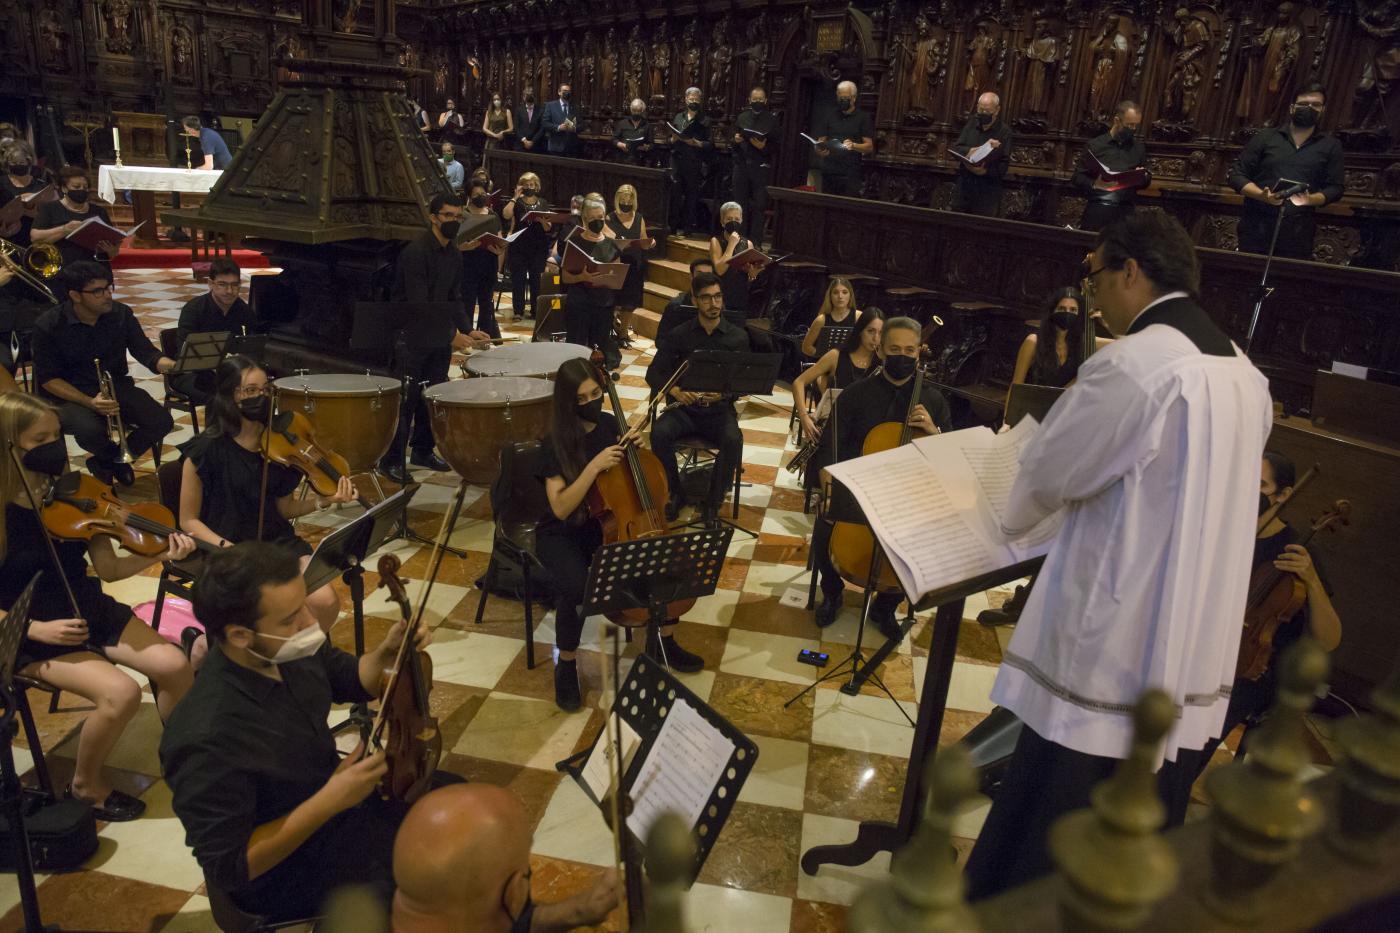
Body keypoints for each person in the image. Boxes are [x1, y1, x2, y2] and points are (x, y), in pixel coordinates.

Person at [962, 212, 1273, 900]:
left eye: (1097, 274)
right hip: (1190, 645)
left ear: (1130, 270)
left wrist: (1016, 508)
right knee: (1137, 830)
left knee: (1046, 841)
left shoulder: (1135, 364)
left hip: (1116, 646)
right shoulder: (1245, 373)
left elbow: (1042, 477)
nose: (1094, 292)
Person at [160, 542, 434, 921]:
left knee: (454, 805)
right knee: (428, 881)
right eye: (291, 618)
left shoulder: (287, 649)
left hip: (336, 810)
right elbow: (231, 868)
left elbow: (352, 679)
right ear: (240, 636)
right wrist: (331, 799)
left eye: (304, 605)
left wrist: (387, 651)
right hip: (283, 873)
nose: (309, 623)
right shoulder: (204, 735)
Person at [0, 392, 194, 821]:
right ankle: (85, 785)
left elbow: (108, 569)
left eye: (57, 436)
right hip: (26, 631)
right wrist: (34, 629)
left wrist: (160, 555)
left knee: (175, 666)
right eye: (41, 439)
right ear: (9, 445)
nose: (55, 448)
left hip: (85, 606)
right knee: (120, 693)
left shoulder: (76, 493)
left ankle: (183, 760)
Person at [540, 358, 705, 710]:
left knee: (662, 563)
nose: (592, 402)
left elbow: (627, 481)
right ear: (567, 402)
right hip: (565, 531)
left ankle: (666, 640)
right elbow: (560, 508)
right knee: (574, 588)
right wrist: (593, 466)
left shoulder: (607, 422)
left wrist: (636, 447)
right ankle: (566, 664)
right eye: (582, 398)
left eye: (596, 393)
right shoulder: (554, 440)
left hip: (609, 522)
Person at [1181, 451, 1341, 791]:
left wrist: (1311, 580)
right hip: (1200, 650)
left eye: (1260, 486)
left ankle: (1168, 799)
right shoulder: (1219, 533)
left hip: (1250, 670)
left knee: (1189, 738)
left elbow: (1330, 639)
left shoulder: (1293, 550)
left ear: (1283, 496)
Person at [178, 354, 357, 633]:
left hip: (277, 543)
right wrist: (230, 550)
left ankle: (296, 663)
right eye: (250, 391)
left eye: (265, 389)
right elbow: (188, 521)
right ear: (228, 396)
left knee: (325, 601)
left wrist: (325, 500)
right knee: (271, 613)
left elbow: (284, 510)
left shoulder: (279, 447)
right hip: (228, 549)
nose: (260, 397)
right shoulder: (203, 452)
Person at [809, 316, 950, 635]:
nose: (903, 356)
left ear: (919, 353)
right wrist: (829, 488)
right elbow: (832, 446)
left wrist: (933, 429)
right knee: (823, 530)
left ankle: (885, 608)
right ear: (882, 351)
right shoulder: (857, 395)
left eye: (910, 350)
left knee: (920, 545)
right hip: (858, 485)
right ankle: (832, 594)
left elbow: (948, 456)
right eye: (895, 349)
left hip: (908, 496)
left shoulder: (932, 399)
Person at [392, 783, 620, 932]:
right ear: (515, 894)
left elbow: (493, 917)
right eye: (526, 872)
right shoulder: (509, 901)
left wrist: (579, 911)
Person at [31, 261, 176, 486]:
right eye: (98, 291)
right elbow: (49, 379)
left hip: (115, 386)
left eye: (109, 288)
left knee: (160, 420)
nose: (107, 295)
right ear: (75, 295)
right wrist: (89, 402)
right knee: (90, 430)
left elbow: (145, 351)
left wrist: (169, 364)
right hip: (69, 395)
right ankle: (113, 458)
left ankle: (110, 463)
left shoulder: (121, 314)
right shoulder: (48, 325)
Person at [381, 193, 491, 484]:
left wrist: (467, 328)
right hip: (411, 337)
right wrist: (450, 334)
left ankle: (422, 450)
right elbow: (418, 303)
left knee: (432, 396)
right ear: (433, 217)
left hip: (437, 338)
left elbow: (454, 298)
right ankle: (390, 459)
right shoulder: (415, 252)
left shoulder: (453, 253)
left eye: (458, 217)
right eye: (448, 216)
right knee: (407, 399)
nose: (454, 221)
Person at [646, 272, 749, 521]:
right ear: (694, 301)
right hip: (685, 411)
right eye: (706, 298)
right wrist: (676, 391)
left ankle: (713, 502)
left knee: (733, 440)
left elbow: (744, 384)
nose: (714, 304)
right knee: (658, 434)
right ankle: (675, 492)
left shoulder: (737, 337)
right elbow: (654, 373)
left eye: (718, 297)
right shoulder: (679, 335)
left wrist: (725, 393)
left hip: (718, 412)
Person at [1227, 81, 1345, 261]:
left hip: (1298, 231)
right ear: (1292, 108)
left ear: (1323, 110)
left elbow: (1335, 188)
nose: (1309, 108)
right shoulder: (1266, 137)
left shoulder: (1331, 146)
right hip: (1257, 224)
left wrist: (1310, 199)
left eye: (1315, 105)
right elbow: (1236, 175)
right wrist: (1261, 195)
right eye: (1303, 104)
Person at [172, 257, 257, 405]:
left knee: (260, 391)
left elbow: (254, 343)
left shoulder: (243, 310)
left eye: (234, 285)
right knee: (220, 397)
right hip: (191, 374)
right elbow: (185, 354)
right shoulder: (193, 310)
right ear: (210, 284)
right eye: (222, 285)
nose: (229, 291)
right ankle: (218, 429)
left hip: (229, 372)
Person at [561, 195, 622, 370]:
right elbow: (565, 277)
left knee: (599, 349)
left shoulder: (612, 245)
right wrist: (582, 277)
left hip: (603, 304)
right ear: (585, 220)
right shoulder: (574, 243)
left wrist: (607, 278)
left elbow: (617, 278)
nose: (597, 222)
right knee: (576, 349)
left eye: (600, 218)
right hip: (579, 303)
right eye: (593, 219)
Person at [1009, 286, 1112, 389]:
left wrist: (1106, 324)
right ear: (1052, 311)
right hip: (1032, 402)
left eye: (1073, 310)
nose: (1067, 313)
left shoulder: (1083, 341)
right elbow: (1016, 386)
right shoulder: (1033, 342)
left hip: (1063, 404)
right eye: (1062, 308)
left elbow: (1125, 342)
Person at [1072, 100, 1150, 232]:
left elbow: (1146, 181)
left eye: (1135, 126)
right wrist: (1095, 184)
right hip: (1098, 209)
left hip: (1125, 211)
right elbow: (1077, 177)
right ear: (1117, 121)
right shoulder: (1095, 145)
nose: (1132, 129)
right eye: (1129, 125)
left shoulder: (1138, 148)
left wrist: (1143, 176)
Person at [31, 166, 120, 268]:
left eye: (85, 187)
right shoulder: (49, 208)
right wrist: (64, 229)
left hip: (95, 266)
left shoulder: (99, 211)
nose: (82, 190)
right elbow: (35, 237)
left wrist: (110, 250)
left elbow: (114, 250)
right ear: (64, 188)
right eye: (76, 187)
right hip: (63, 265)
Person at [950, 92, 1013, 217]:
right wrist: (971, 151)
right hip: (964, 186)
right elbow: (957, 148)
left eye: (987, 111)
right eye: (980, 109)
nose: (982, 113)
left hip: (987, 191)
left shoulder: (1004, 131)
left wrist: (984, 172)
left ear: (996, 110)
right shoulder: (971, 124)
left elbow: (1003, 165)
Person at [502, 173, 554, 321]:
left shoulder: (543, 203)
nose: (529, 187)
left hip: (538, 245)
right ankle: (518, 311)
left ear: (536, 186)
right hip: (519, 245)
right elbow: (506, 215)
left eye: (532, 185)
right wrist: (514, 197)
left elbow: (548, 227)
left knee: (535, 279)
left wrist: (542, 221)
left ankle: (535, 310)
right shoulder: (517, 203)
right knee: (518, 278)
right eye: (526, 184)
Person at [459, 178, 507, 339]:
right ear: (469, 196)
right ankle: (467, 335)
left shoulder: (492, 215)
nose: (480, 196)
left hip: (488, 261)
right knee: (468, 301)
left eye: (483, 193)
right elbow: (455, 241)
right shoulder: (463, 215)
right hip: (468, 263)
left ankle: (486, 336)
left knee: (486, 302)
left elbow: (500, 237)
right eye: (476, 194)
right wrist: (463, 246)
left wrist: (500, 248)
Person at [731, 88, 776, 245]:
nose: (757, 102)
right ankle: (740, 240)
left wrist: (763, 147)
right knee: (739, 204)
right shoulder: (742, 117)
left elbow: (777, 146)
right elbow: (734, 140)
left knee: (759, 205)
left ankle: (756, 241)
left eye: (760, 99)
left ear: (765, 101)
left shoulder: (771, 120)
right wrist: (735, 140)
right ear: (749, 100)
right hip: (742, 164)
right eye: (754, 99)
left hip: (760, 166)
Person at [814, 81, 875, 197]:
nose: (842, 100)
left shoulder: (863, 118)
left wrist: (854, 145)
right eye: (840, 97)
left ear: (854, 98)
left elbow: (869, 147)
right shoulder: (829, 115)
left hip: (850, 173)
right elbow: (821, 141)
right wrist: (819, 149)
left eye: (845, 98)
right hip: (829, 171)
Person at [606, 184, 649, 347]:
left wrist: (648, 244)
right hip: (616, 263)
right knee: (614, 300)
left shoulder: (639, 218)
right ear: (617, 200)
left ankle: (623, 334)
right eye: (623, 200)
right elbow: (605, 242)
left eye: (629, 200)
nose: (626, 203)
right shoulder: (610, 218)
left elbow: (643, 239)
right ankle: (610, 331)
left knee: (630, 302)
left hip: (634, 265)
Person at [670, 87, 712, 237]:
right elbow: (671, 139)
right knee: (675, 194)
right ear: (686, 100)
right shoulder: (678, 117)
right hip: (677, 160)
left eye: (696, 99)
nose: (693, 101)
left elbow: (709, 144)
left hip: (694, 161)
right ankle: (673, 228)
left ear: (700, 101)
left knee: (691, 196)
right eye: (691, 99)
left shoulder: (704, 120)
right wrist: (673, 139)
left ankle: (687, 229)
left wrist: (696, 143)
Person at [710, 201, 763, 319]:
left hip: (740, 295)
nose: (733, 222)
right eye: (729, 219)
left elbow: (749, 277)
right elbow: (719, 270)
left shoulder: (748, 243)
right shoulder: (716, 241)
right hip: (721, 295)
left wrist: (753, 274)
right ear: (722, 222)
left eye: (736, 219)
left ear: (741, 221)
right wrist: (731, 245)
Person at [658, 257, 718, 342]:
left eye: (707, 275)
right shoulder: (675, 306)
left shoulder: (717, 306)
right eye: (699, 274)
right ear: (691, 276)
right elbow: (661, 340)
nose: (703, 279)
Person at [1, 141, 48, 245]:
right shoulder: (1, 184)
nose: (18, 166)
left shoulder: (40, 185)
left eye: (21, 163)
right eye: (13, 163)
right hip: (6, 238)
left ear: (29, 161)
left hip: (34, 238)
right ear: (7, 163)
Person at [800, 277, 859, 358]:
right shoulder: (821, 320)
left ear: (850, 295)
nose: (840, 296)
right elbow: (806, 347)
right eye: (835, 293)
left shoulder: (858, 317)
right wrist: (826, 359)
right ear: (830, 296)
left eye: (845, 292)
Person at [542, 84, 581, 157]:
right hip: (556, 147)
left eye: (569, 91)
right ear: (559, 92)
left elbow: (582, 125)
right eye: (565, 91)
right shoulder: (550, 106)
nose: (567, 93)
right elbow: (545, 123)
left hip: (572, 147)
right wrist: (559, 127)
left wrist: (574, 128)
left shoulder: (575, 107)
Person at [613, 98, 652, 165]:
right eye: (634, 111)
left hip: (640, 159)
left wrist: (647, 147)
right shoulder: (622, 123)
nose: (636, 113)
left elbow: (651, 143)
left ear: (642, 111)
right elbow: (614, 139)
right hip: (623, 158)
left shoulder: (647, 125)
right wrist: (620, 144)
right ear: (631, 110)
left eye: (638, 111)